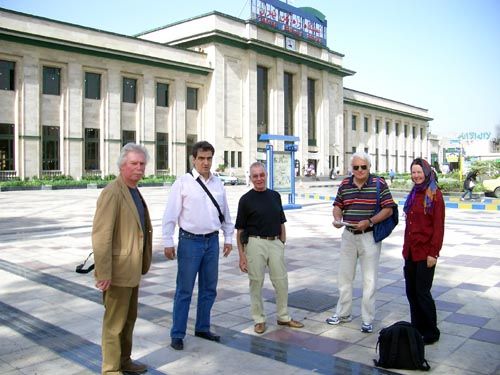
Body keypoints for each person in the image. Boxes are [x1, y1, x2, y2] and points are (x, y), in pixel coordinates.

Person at [162, 141, 233, 351]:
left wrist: (228, 237)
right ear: (193, 159)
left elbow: (225, 213)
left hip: (211, 242)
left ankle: (202, 327)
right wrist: (168, 240)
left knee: (209, 289)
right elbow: (170, 214)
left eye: (209, 158)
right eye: (201, 158)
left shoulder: (218, 183)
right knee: (184, 290)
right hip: (189, 242)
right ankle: (177, 333)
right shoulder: (182, 183)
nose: (205, 162)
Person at [92, 143, 152, 375]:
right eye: (134, 164)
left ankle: (124, 361)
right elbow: (101, 235)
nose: (139, 169)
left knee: (129, 320)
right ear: (122, 166)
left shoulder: (134, 190)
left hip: (132, 270)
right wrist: (104, 272)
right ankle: (110, 369)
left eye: (142, 164)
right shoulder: (112, 192)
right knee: (114, 324)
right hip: (117, 272)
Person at [326, 152, 396, 333]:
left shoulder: (378, 184)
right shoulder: (345, 184)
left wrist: (370, 221)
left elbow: (388, 209)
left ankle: (367, 319)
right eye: (355, 167)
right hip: (348, 235)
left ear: (369, 167)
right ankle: (343, 314)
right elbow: (338, 205)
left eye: (363, 167)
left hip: (369, 236)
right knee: (344, 277)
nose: (359, 170)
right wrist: (336, 218)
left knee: (369, 279)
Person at [235, 162, 304, 334]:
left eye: (261, 175)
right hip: (254, 243)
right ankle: (259, 319)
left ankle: (283, 316)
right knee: (256, 282)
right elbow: (240, 231)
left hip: (275, 243)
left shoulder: (275, 196)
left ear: (266, 175)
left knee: (281, 281)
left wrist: (282, 243)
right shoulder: (245, 200)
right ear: (250, 178)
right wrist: (242, 256)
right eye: (255, 176)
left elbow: (281, 221)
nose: (259, 178)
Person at [403, 158, 445, 345]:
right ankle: (417, 327)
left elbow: (438, 227)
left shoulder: (434, 194)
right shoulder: (413, 193)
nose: (416, 176)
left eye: (419, 172)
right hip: (411, 251)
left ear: (426, 172)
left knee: (422, 292)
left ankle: (430, 331)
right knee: (411, 292)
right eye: (413, 172)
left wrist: (433, 253)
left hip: (426, 252)